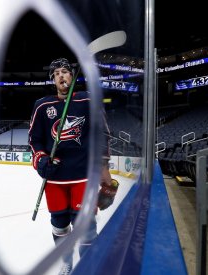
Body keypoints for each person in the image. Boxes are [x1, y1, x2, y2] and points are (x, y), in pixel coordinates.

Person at [28, 58, 119, 274]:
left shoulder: (88, 100)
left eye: (65, 72)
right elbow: (34, 140)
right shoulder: (42, 105)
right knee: (59, 225)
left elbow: (102, 133)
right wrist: (41, 160)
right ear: (53, 80)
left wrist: (103, 167)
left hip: (83, 177)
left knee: (86, 226)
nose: (61, 76)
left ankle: (88, 266)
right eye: (56, 73)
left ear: (72, 76)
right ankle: (66, 260)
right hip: (55, 180)